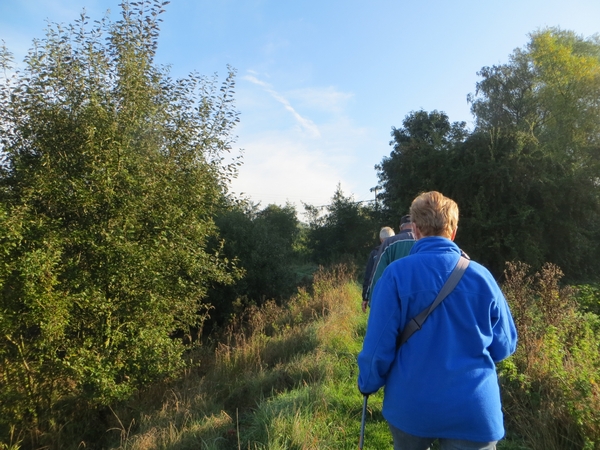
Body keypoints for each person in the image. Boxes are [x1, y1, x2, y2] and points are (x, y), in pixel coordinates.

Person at [357, 191, 517, 450]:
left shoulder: (395, 275)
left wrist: (368, 383)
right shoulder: (482, 277)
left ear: (416, 231)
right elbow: (505, 346)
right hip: (474, 408)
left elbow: (377, 348)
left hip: (412, 406)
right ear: (453, 231)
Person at [363, 215, 416, 312]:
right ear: (415, 225)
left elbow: (377, 275)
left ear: (400, 227)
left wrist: (371, 300)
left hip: (394, 299)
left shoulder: (389, 243)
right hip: (419, 300)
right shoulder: (424, 241)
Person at [362, 226, 395, 309]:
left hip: (378, 291)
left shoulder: (375, 253)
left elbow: (369, 275)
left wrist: (365, 297)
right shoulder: (397, 251)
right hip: (395, 292)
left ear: (381, 239)